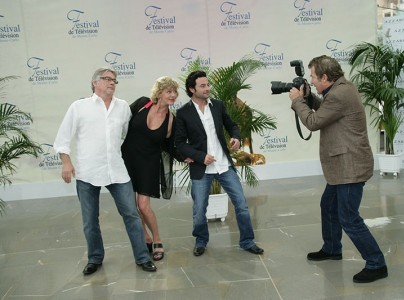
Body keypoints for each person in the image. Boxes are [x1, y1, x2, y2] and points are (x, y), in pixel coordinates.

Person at [288, 55, 388, 283]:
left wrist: (297, 101)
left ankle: (376, 263)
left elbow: (314, 122)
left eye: (313, 77)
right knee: (328, 205)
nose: (311, 81)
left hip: (349, 167)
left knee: (349, 218)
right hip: (342, 165)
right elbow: (326, 109)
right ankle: (332, 248)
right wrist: (309, 98)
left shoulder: (340, 94)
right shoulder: (340, 88)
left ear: (325, 76)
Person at [53, 67, 157, 275]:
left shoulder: (123, 107)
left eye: (114, 80)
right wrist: (66, 162)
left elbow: (125, 136)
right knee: (90, 220)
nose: (112, 82)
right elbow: (62, 139)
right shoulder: (79, 107)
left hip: (117, 171)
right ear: (95, 83)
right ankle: (95, 258)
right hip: (87, 172)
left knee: (131, 215)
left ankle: (142, 257)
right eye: (107, 79)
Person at [174, 70, 264, 257]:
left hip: (224, 166)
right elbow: (180, 143)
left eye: (208, 85)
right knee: (199, 209)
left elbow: (232, 125)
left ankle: (247, 241)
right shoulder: (183, 113)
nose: (207, 88)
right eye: (203, 86)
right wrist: (200, 156)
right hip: (201, 168)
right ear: (192, 89)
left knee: (241, 203)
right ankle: (201, 241)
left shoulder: (218, 106)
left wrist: (236, 137)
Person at [121, 76, 181, 261]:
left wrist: (189, 157)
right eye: (168, 91)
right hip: (127, 160)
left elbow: (170, 146)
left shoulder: (171, 120)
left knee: (143, 206)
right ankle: (145, 236)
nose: (173, 95)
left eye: (174, 92)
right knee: (131, 207)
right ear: (159, 93)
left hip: (148, 164)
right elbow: (119, 121)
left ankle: (156, 238)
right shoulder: (142, 104)